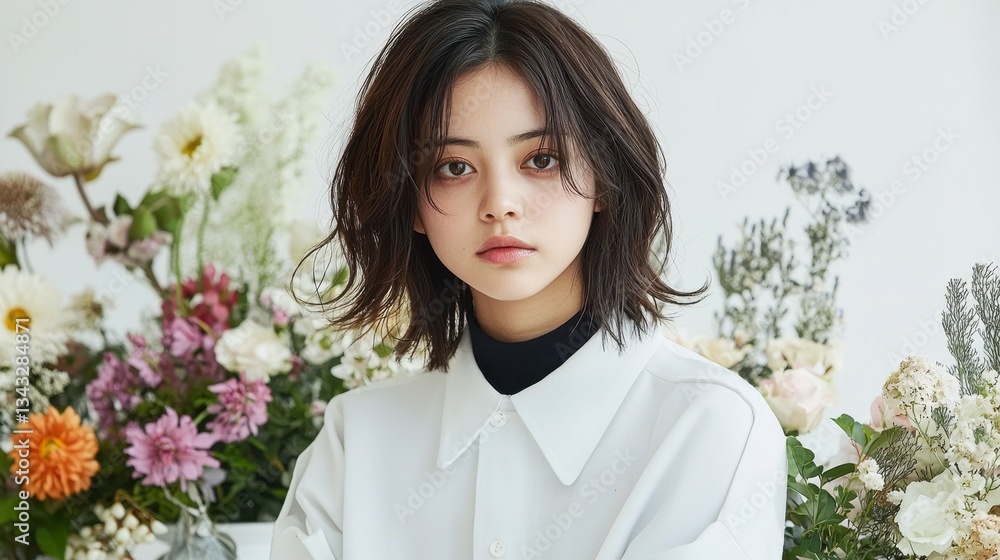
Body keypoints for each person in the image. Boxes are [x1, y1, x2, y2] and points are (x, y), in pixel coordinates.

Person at [271, 0, 787, 558]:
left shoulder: (709, 428)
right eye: (454, 168)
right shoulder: (357, 441)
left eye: (540, 159)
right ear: (411, 203)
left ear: (605, 177)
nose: (500, 205)